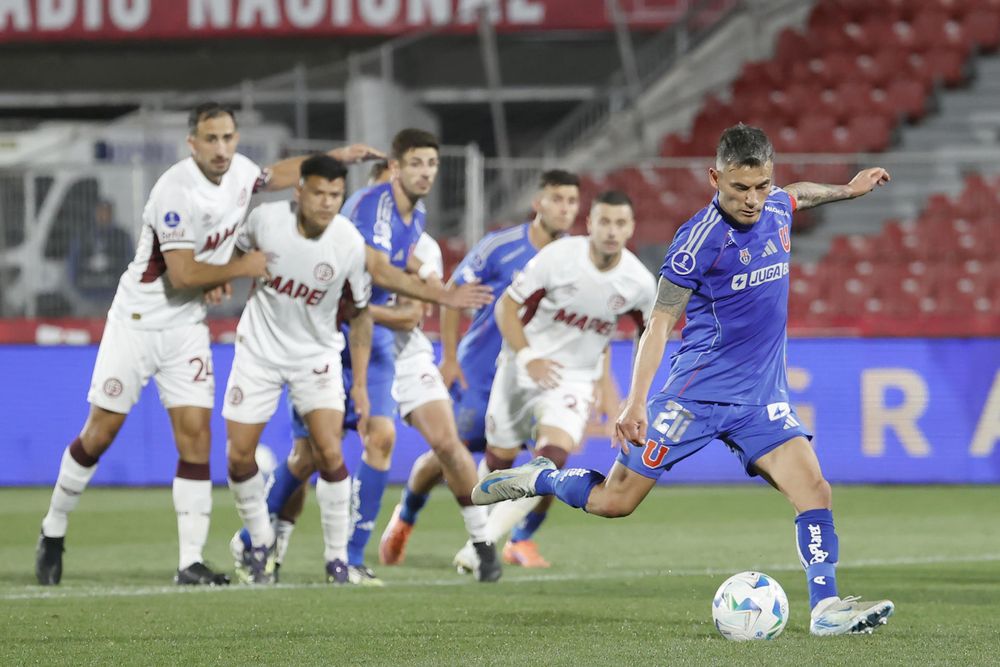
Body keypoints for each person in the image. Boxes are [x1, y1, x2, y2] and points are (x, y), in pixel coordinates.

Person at [473, 124, 896, 637]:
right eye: (739, 188)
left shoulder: (777, 207)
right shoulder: (697, 242)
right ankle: (540, 477)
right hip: (693, 395)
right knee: (615, 502)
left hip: (760, 399)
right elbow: (659, 325)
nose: (752, 200)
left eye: (761, 186)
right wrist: (636, 402)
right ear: (715, 177)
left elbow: (799, 194)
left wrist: (848, 190)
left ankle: (826, 609)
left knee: (814, 490)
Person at [34, 101, 383, 586]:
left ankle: (189, 562)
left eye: (228, 138)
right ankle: (53, 529)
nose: (221, 149)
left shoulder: (240, 171)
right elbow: (183, 273)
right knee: (99, 434)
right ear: (192, 143)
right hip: (137, 321)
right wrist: (238, 269)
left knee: (196, 442)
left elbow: (275, 176)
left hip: (187, 327)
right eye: (211, 139)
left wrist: (335, 154)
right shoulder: (174, 191)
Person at [232, 129, 490, 586]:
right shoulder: (371, 209)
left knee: (383, 436)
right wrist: (444, 296)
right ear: (393, 168)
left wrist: (429, 294)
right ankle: (259, 537)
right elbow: (376, 270)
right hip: (323, 341)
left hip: (370, 343)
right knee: (309, 456)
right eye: (415, 163)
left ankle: (350, 557)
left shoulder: (415, 217)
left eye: (432, 163)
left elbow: (395, 291)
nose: (425, 172)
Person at [381, 170, 602, 572]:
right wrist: (449, 359)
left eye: (572, 200)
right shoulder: (500, 247)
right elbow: (452, 295)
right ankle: (405, 517)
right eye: (556, 199)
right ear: (538, 203)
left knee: (549, 461)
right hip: (481, 372)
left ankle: (520, 540)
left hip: (542, 376)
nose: (565, 208)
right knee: (449, 455)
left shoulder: (578, 255)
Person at [467, 189, 656, 565]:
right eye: (604, 221)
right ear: (590, 224)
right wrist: (528, 356)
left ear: (631, 228)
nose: (611, 231)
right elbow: (506, 306)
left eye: (620, 223)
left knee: (549, 460)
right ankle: (480, 534)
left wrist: (632, 394)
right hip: (523, 366)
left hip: (575, 378)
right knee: (499, 457)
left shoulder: (638, 282)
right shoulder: (558, 258)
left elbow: (649, 337)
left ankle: (482, 546)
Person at [224, 155, 373, 585]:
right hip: (259, 351)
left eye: (335, 195)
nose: (327, 203)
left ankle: (336, 560)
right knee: (238, 456)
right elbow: (228, 254)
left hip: (316, 355)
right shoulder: (265, 221)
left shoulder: (348, 242)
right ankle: (257, 541)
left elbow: (361, 313)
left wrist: (359, 383)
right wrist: (223, 276)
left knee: (330, 453)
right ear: (299, 192)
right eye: (319, 193)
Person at [67, 198, 133, 307]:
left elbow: (129, 263)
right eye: (100, 211)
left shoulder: (121, 236)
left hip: (114, 296)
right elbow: (72, 265)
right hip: (86, 297)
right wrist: (77, 293)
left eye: (106, 212)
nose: (103, 215)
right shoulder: (83, 235)